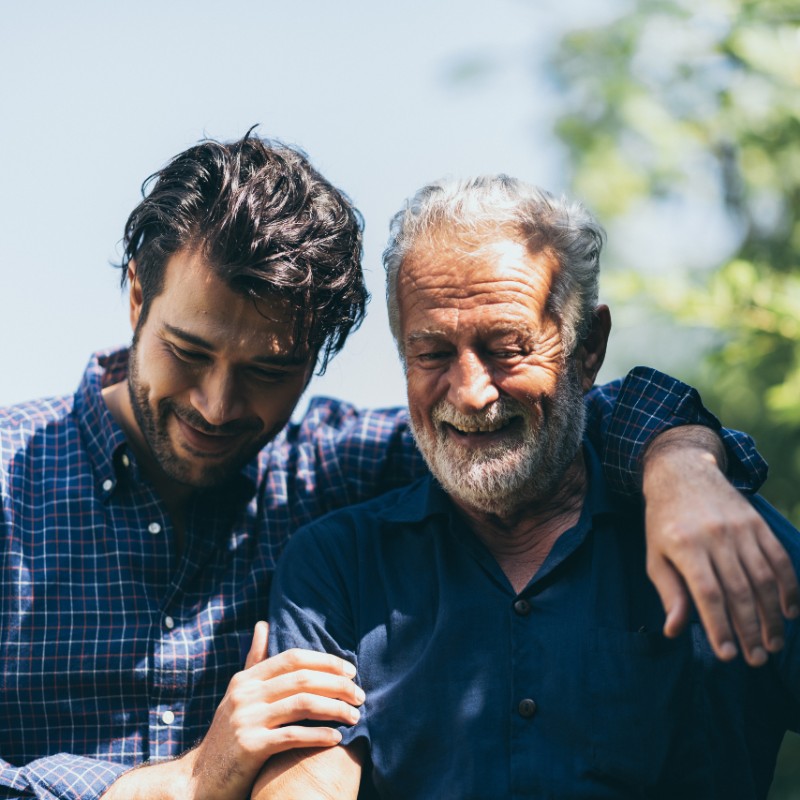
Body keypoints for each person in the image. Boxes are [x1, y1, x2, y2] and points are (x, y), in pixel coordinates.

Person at [0, 134, 793, 800]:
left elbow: (552, 421)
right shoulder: (10, 480)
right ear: (137, 296)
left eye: (268, 370)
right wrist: (179, 784)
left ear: (316, 362)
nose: (215, 404)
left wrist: (683, 464)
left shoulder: (329, 471)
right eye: (188, 351)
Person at [259, 175, 800, 799]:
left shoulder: (707, 522)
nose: (470, 393)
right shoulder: (338, 565)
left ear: (587, 347)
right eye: (431, 353)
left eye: (506, 349)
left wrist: (687, 461)